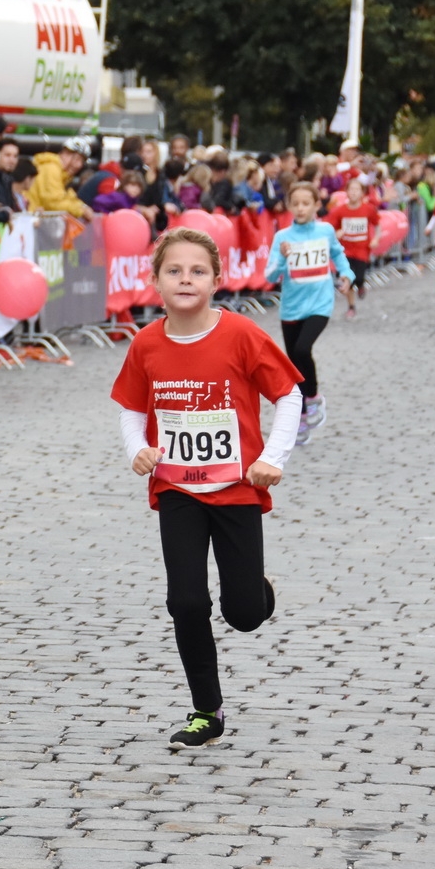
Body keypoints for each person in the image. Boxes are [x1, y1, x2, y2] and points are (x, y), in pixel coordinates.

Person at [111, 227, 303, 750]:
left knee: (242, 614)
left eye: (197, 270)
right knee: (187, 601)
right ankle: (206, 710)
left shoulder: (241, 335)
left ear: (217, 280)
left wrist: (270, 458)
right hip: (177, 491)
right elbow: (131, 407)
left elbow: (288, 395)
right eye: (174, 270)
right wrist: (137, 450)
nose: (185, 279)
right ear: (154, 281)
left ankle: (256, 591)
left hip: (237, 488)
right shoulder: (147, 342)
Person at [264, 183, 352, 445]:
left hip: (320, 304)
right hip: (291, 307)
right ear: (289, 206)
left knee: (303, 350)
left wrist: (347, 274)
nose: (300, 208)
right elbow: (269, 275)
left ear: (316, 206)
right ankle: (300, 418)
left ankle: (312, 396)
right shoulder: (283, 236)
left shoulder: (325, 231)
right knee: (293, 366)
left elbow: (339, 254)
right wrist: (281, 258)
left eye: (306, 203)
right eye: (296, 203)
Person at [322, 177, 377, 319]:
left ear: (362, 193)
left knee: (358, 277)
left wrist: (376, 238)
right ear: (346, 192)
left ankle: (362, 284)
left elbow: (378, 223)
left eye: (356, 190)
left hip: (362, 250)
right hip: (345, 251)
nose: (353, 193)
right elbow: (329, 228)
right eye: (351, 189)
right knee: (348, 279)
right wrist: (337, 233)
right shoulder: (339, 210)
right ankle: (351, 306)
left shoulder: (368, 209)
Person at [25, 140, 91, 216]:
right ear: (65, 154)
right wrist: (81, 211)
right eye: (77, 159)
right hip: (29, 220)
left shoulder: (63, 176)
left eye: (82, 162)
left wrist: (83, 206)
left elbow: (66, 198)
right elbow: (53, 203)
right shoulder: (51, 169)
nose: (79, 165)